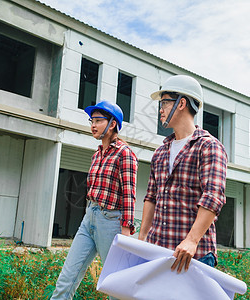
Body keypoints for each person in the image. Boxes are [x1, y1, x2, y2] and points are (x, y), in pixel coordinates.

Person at [138, 75, 227, 273]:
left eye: (164, 103)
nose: (160, 110)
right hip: (158, 251)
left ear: (181, 103)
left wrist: (191, 240)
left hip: (193, 256)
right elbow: (151, 198)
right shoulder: (160, 152)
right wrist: (142, 239)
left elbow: (213, 197)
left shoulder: (209, 146)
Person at [51, 100, 138, 300]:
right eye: (92, 120)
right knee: (67, 277)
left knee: (114, 284)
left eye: (99, 120)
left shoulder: (125, 154)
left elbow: (129, 194)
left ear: (113, 124)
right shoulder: (96, 155)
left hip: (111, 223)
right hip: (89, 217)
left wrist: (125, 232)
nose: (93, 125)